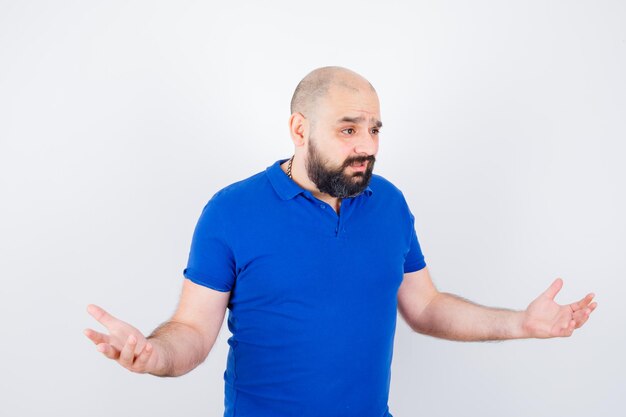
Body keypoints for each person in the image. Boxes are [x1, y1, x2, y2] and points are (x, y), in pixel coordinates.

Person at [84, 66, 597, 417]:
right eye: (348, 129)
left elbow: (427, 307)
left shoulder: (389, 203)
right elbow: (193, 331)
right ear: (299, 128)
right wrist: (154, 353)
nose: (367, 147)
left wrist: (522, 324)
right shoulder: (231, 211)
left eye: (374, 129)